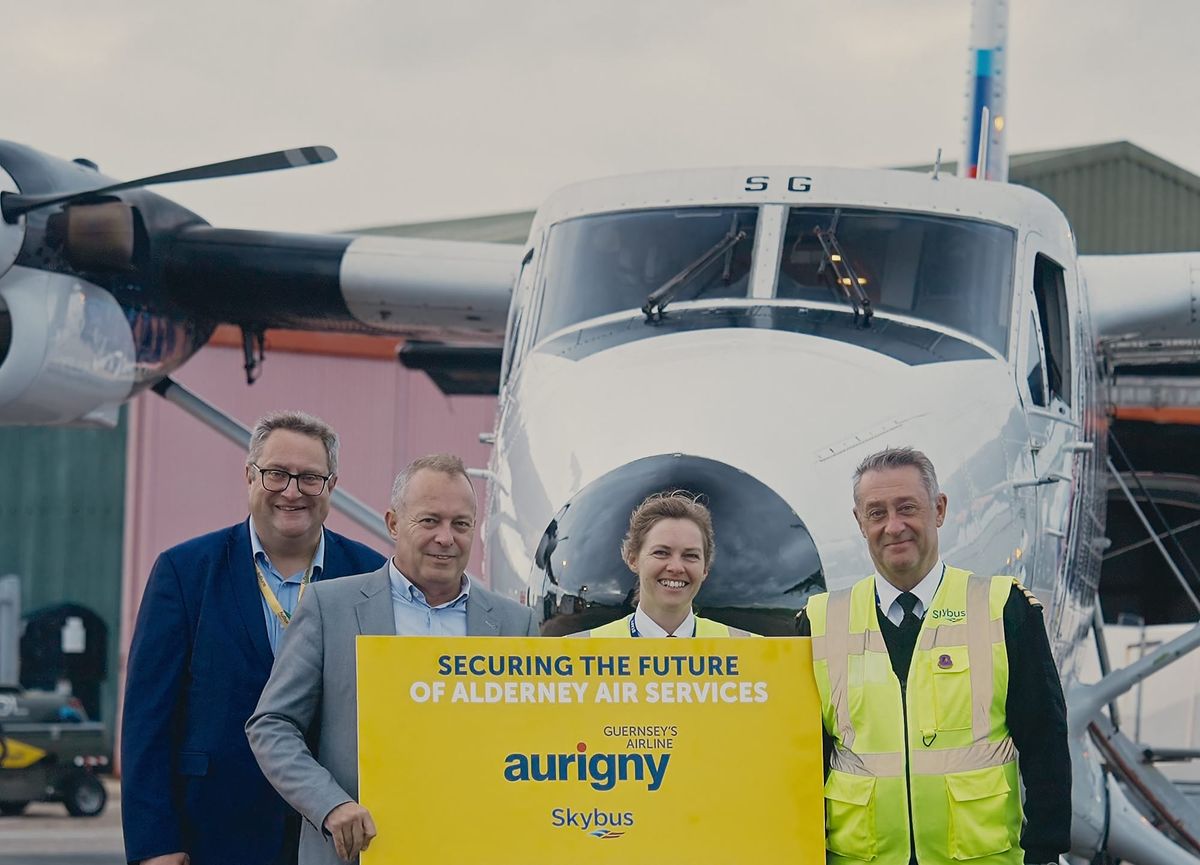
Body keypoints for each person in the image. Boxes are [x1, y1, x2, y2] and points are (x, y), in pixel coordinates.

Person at [246, 453, 538, 865]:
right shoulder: (331, 608)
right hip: (358, 853)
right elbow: (272, 725)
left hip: (476, 850)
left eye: (461, 524)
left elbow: (535, 744)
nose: (445, 537)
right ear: (393, 523)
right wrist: (331, 805)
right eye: (429, 520)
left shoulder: (515, 624)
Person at [121, 411, 385, 865]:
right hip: (214, 831)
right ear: (249, 476)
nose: (291, 491)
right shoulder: (185, 573)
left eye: (309, 478)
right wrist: (155, 844)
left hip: (336, 836)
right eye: (276, 474)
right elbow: (148, 721)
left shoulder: (372, 575)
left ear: (331, 486)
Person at [797, 446, 1070, 865]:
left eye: (907, 508)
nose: (893, 526)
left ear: (939, 509)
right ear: (859, 521)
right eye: (876, 513)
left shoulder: (1003, 608)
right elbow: (801, 760)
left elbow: (1045, 742)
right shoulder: (818, 623)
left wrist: (1045, 852)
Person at [575, 491, 754, 637]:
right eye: (661, 553)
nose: (676, 567)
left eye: (690, 555)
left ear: (705, 568)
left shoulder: (752, 652)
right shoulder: (578, 653)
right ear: (633, 559)